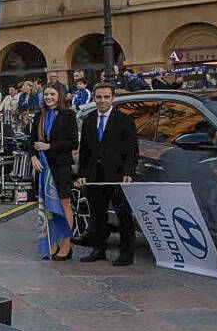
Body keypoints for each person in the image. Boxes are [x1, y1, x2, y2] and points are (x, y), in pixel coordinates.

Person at [75, 82, 137, 266]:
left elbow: (132, 149)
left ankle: (126, 254)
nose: (102, 101)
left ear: (113, 98)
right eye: (99, 97)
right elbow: (84, 150)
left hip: (117, 175)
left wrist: (129, 171)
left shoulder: (125, 120)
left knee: (123, 215)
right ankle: (99, 250)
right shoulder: (89, 119)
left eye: (106, 97)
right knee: (97, 214)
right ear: (94, 98)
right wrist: (82, 173)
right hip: (95, 175)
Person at [27, 82, 77, 261]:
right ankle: (52, 242)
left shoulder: (68, 115)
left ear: (59, 96)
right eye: (46, 94)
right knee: (46, 206)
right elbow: (31, 140)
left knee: (63, 204)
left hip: (60, 166)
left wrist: (50, 146)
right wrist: (33, 156)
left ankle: (66, 245)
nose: (48, 97)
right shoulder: (39, 115)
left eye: (52, 94)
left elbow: (73, 142)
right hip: (42, 166)